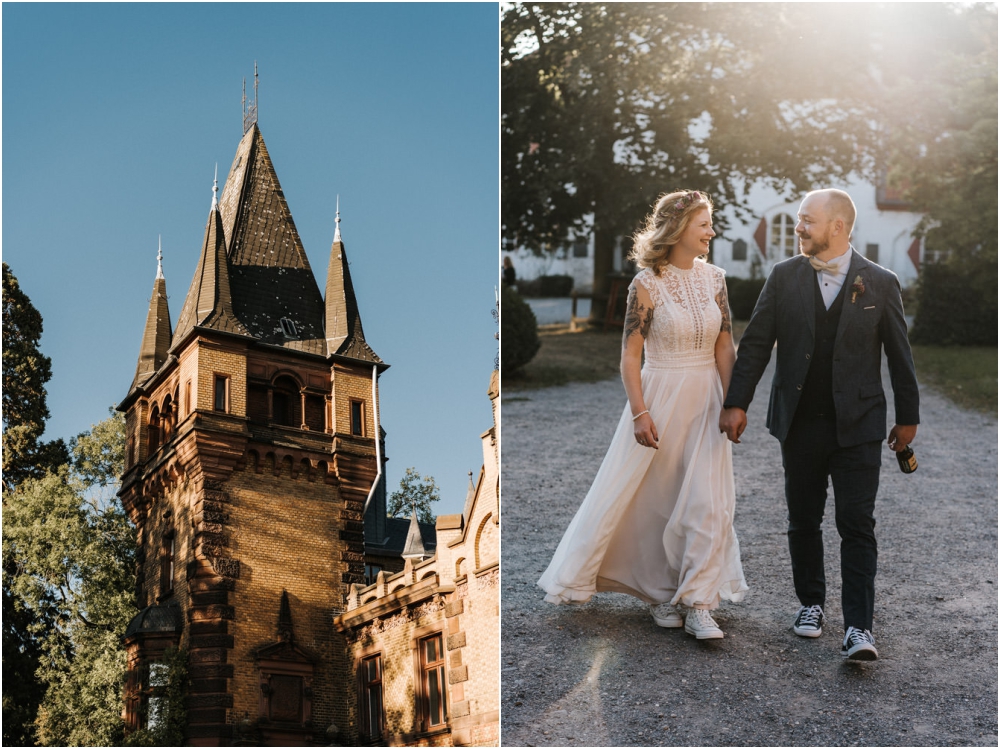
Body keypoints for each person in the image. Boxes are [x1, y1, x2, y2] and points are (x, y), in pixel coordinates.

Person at [719, 188, 919, 661]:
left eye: (808, 220)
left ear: (838, 227)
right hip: (801, 422)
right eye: (798, 220)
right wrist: (736, 402)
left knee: (856, 522)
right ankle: (810, 604)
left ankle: (859, 628)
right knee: (803, 519)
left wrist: (908, 417)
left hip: (860, 424)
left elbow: (900, 355)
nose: (799, 227)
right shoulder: (784, 276)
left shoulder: (881, 282)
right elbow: (756, 343)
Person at [538, 190, 748, 640]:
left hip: (708, 397)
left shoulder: (716, 280)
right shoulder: (646, 284)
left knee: (708, 502)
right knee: (656, 499)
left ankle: (698, 603)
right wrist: (639, 412)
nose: (712, 230)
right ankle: (659, 593)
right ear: (677, 229)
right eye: (704, 223)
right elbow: (630, 356)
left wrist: (734, 403)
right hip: (661, 393)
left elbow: (725, 345)